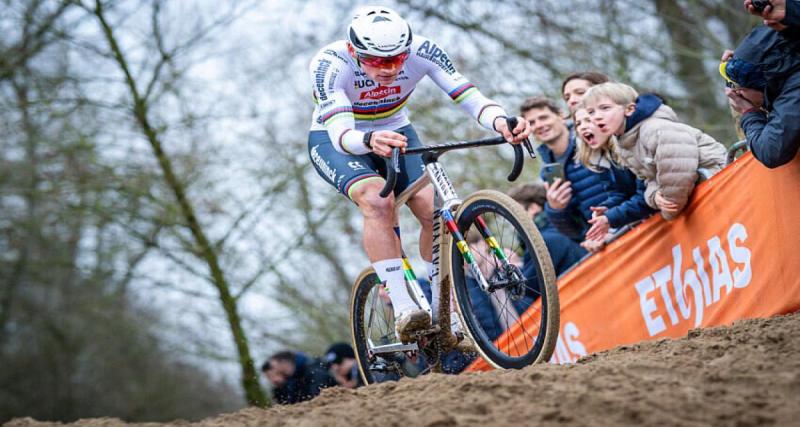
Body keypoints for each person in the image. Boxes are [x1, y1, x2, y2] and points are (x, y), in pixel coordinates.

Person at [307, 6, 530, 343]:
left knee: (432, 209)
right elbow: (342, 135)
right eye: (378, 61)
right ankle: (403, 306)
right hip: (339, 138)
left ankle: (443, 306)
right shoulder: (330, 64)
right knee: (377, 202)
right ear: (354, 51)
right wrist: (368, 140)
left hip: (397, 129)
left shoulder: (423, 50)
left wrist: (501, 121)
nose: (390, 69)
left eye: (397, 59)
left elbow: (467, 94)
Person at [582, 82, 727, 220]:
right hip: (700, 193)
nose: (597, 116)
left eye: (605, 108)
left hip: (721, 184)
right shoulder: (624, 143)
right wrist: (655, 196)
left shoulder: (655, 129)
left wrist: (670, 213)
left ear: (629, 109)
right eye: (591, 112)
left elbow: (678, 174)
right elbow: (649, 179)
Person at [572, 107, 655, 248]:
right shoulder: (601, 158)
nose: (583, 127)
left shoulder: (630, 146)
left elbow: (645, 196)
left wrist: (610, 218)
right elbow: (619, 193)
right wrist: (606, 208)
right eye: (578, 124)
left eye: (588, 120)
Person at [721, 26, 800, 169]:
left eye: (739, 88)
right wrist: (741, 60)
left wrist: (749, 112)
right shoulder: (789, 67)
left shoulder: (793, 94)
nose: (737, 93)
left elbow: (771, 152)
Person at [507, 183, 588, 268]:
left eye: (514, 212)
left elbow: (534, 276)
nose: (511, 219)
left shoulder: (542, 243)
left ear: (533, 208)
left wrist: (513, 265)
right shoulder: (564, 228)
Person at [261, 351, 337, 404]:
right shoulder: (294, 379)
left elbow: (316, 398)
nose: (277, 371)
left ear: (284, 363)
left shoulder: (314, 371)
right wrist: (280, 386)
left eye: (276, 368)